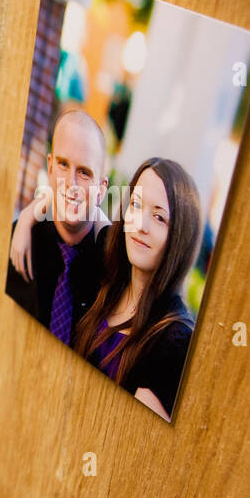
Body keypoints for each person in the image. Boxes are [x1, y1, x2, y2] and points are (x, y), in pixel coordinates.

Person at [71, 158, 201, 421]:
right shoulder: (105, 273)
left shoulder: (174, 341)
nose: (140, 225)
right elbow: (76, 209)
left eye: (159, 217)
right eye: (136, 204)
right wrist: (25, 222)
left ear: (180, 237)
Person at [6, 107, 112, 342]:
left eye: (84, 172)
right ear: (50, 166)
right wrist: (25, 219)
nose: (71, 183)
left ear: (102, 189)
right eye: (63, 165)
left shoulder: (112, 266)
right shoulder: (18, 241)